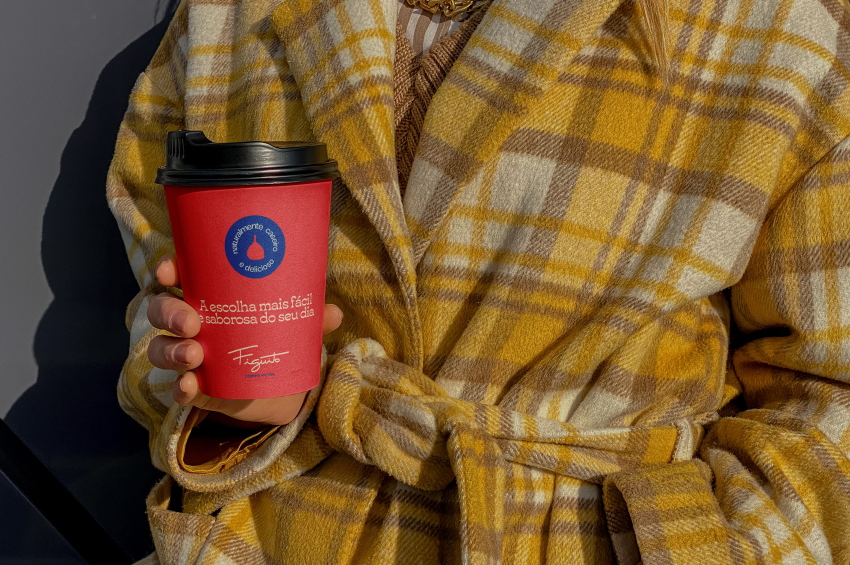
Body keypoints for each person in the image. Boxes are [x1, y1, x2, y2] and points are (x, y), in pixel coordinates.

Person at [106, 0, 850, 563]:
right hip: (282, 536)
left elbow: (830, 396)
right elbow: (159, 291)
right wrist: (225, 396)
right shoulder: (230, 13)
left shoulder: (779, 26)